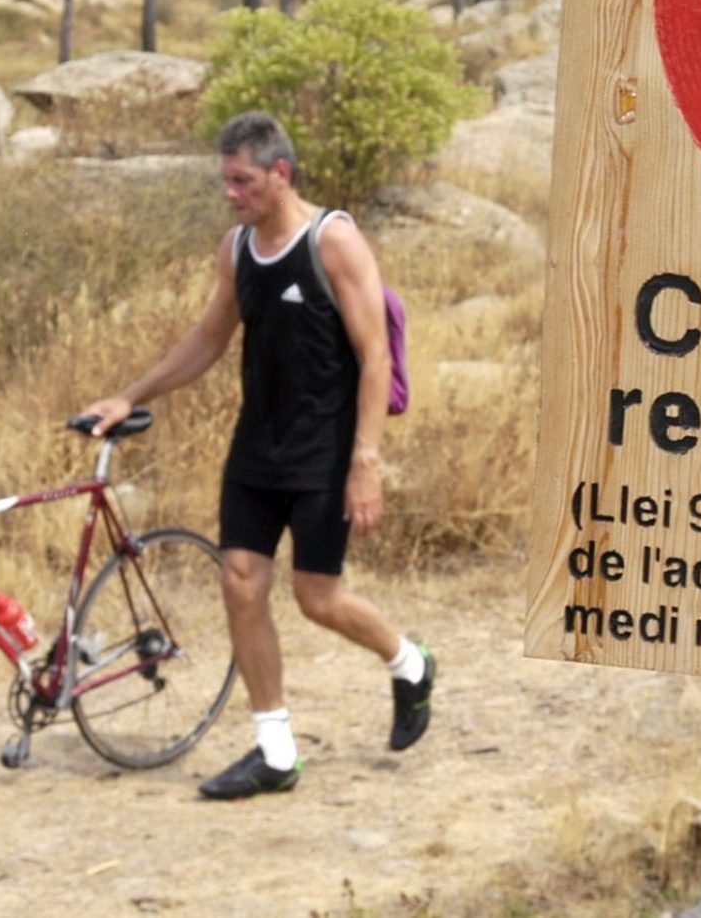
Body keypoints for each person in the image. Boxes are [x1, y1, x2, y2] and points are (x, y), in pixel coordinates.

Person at [78, 111, 435, 801]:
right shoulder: (237, 248)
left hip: (326, 449)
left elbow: (374, 356)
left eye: (241, 180)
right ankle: (275, 749)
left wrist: (367, 461)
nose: (230, 193)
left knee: (317, 597)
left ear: (280, 175)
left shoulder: (333, 241)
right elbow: (209, 338)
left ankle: (411, 664)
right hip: (257, 443)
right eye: (225, 181)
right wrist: (129, 394)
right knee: (241, 582)